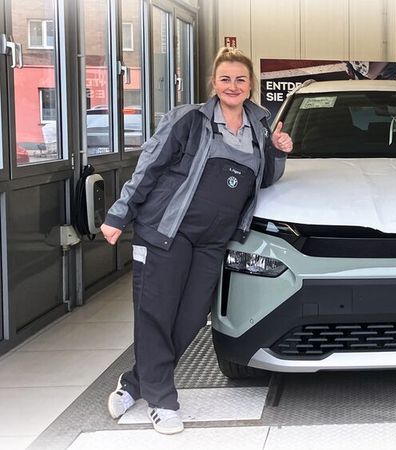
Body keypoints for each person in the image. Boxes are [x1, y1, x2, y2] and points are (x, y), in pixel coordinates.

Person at [99, 47, 293, 434]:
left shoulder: (260, 125)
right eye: (225, 79)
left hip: (213, 240)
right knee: (156, 313)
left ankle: (135, 383)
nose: (233, 86)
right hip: (166, 230)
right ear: (214, 83)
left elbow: (265, 178)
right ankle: (162, 400)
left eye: (240, 79)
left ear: (250, 84)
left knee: (190, 318)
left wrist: (278, 150)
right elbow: (149, 166)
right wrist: (119, 214)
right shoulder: (189, 119)